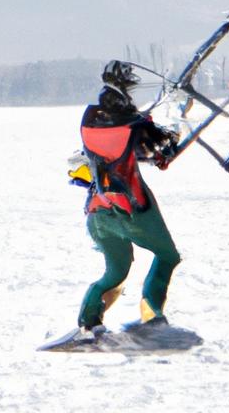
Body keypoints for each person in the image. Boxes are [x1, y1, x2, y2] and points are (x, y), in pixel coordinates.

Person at [75, 60, 180, 335]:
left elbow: (114, 150)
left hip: (98, 211)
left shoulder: (90, 118)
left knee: (115, 273)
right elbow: (157, 151)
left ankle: (88, 322)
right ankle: (151, 314)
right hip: (132, 210)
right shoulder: (135, 124)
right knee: (167, 256)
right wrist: (167, 147)